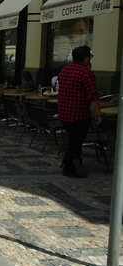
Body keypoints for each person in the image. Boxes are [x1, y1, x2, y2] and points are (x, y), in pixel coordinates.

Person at [57, 45, 103, 178]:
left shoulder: (64, 70)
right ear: (85, 58)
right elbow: (93, 97)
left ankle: (73, 163)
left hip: (64, 112)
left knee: (73, 140)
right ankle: (70, 167)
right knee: (76, 142)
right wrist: (98, 114)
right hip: (79, 114)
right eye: (90, 57)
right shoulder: (86, 73)